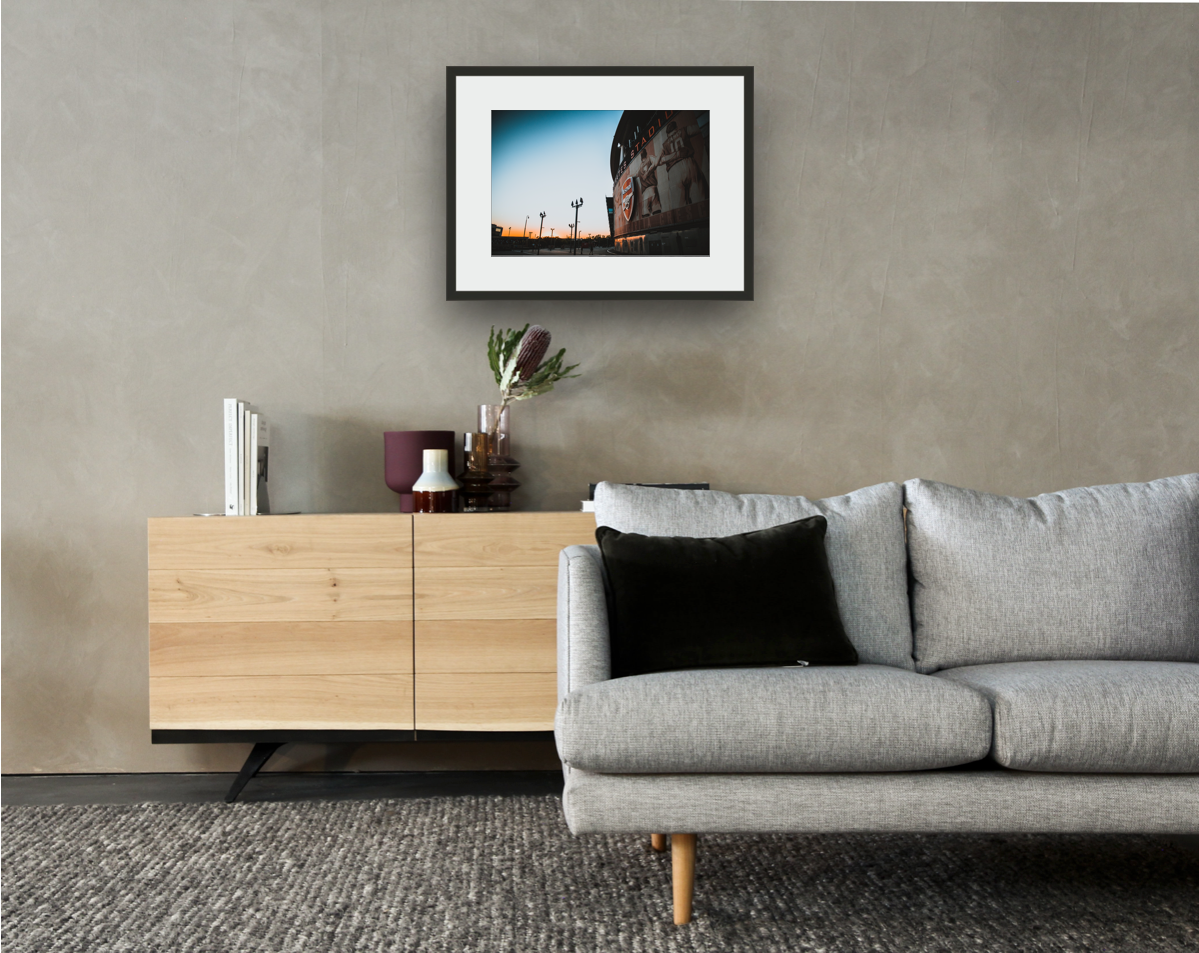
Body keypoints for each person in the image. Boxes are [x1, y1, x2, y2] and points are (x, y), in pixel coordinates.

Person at [659, 120, 707, 209]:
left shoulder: (664, 144)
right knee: (700, 199)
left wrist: (675, 155)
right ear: (676, 128)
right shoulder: (683, 130)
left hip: (673, 170)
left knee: (679, 205)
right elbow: (699, 127)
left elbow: (660, 161)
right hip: (689, 163)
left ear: (667, 133)